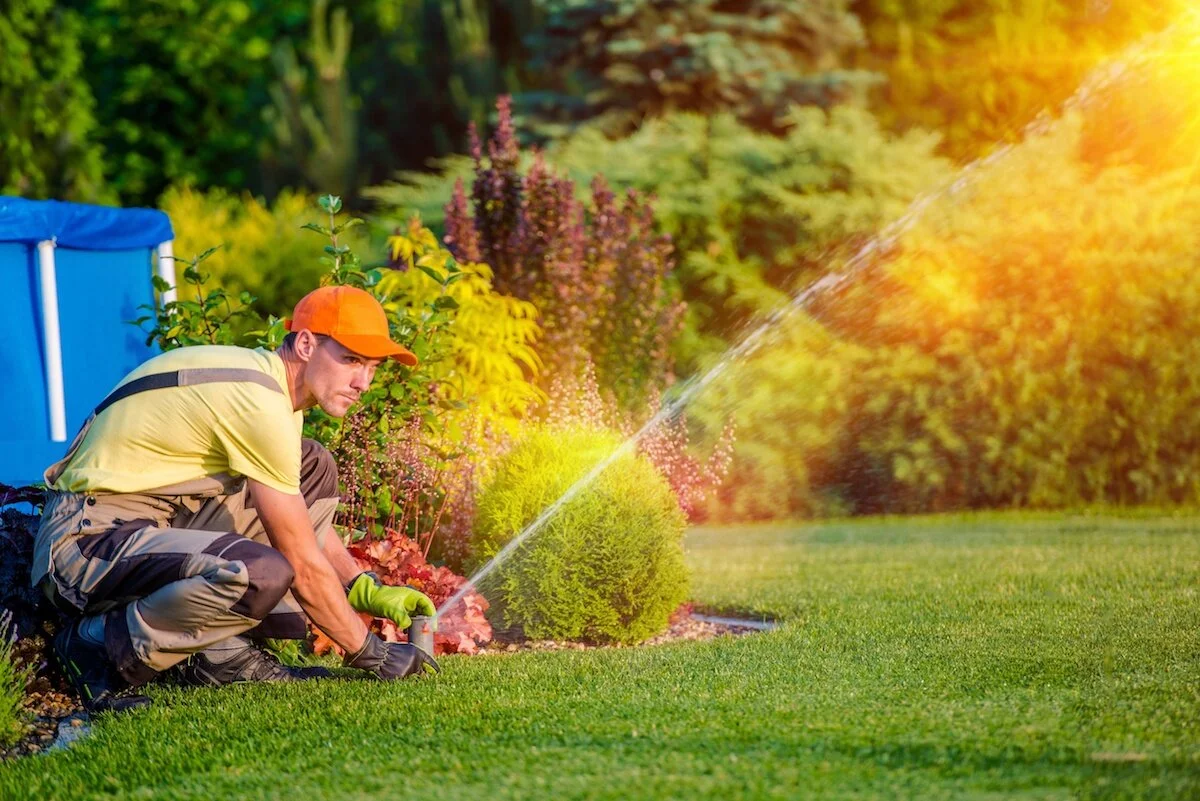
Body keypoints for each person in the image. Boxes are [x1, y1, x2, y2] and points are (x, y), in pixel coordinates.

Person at [32, 285, 439, 714]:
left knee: (312, 465)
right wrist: (369, 652)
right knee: (259, 576)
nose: (363, 383)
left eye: (372, 367)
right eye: (351, 360)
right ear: (305, 344)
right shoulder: (259, 402)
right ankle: (95, 647)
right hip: (85, 545)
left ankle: (218, 657)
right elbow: (299, 560)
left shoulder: (272, 393)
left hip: (148, 527)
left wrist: (359, 587)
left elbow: (299, 526)